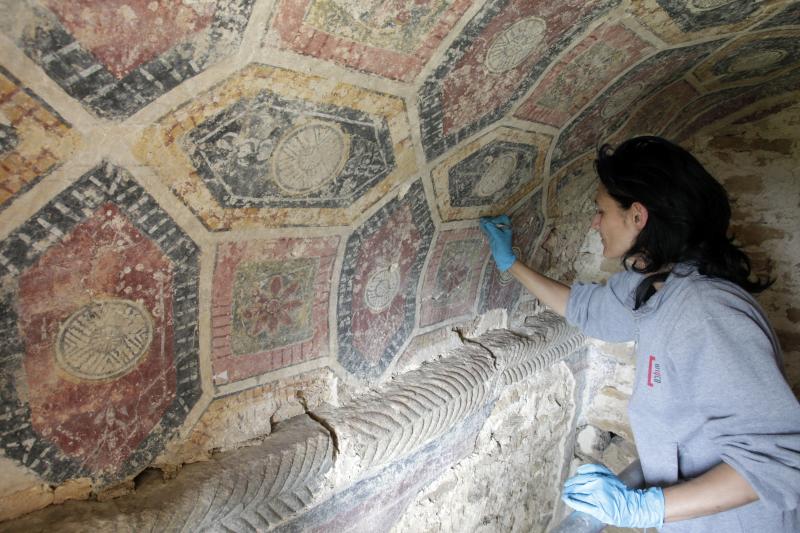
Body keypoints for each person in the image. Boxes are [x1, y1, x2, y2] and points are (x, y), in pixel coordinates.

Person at [479, 136, 800, 531]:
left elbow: (778, 461)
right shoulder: (656, 286)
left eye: (602, 210)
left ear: (638, 216)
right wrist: (511, 264)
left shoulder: (706, 312)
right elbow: (586, 309)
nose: (596, 222)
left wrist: (643, 508)